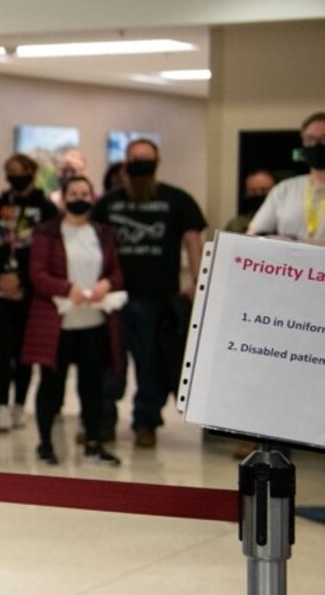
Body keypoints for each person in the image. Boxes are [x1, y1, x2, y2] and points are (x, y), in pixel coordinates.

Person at [96, 138, 205, 449]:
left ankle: (146, 422)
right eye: (134, 158)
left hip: (157, 298)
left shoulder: (177, 200)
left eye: (146, 158)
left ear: (157, 162)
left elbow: (193, 240)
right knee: (110, 364)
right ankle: (103, 421)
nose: (140, 163)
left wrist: (198, 283)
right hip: (113, 297)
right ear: (125, 162)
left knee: (150, 363)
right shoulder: (109, 202)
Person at [21, 176, 125, 467]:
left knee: (92, 387)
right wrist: (67, 289)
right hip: (59, 323)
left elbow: (117, 272)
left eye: (85, 193)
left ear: (92, 198)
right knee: (51, 385)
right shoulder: (47, 233)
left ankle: (94, 442)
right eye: (74, 193)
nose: (79, 197)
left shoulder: (103, 234)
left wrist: (106, 284)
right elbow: (38, 274)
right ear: (63, 197)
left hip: (94, 321)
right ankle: (45, 442)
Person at [0, 154, 58, 433]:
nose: (14, 176)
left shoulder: (46, 209)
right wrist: (1, 275)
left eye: (19, 171)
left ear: (31, 173)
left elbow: (49, 251)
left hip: (31, 290)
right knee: (2, 348)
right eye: (9, 171)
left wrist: (23, 278)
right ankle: (1, 405)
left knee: (24, 351)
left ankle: (19, 404)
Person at [248, 111, 325, 244]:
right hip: (287, 264)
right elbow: (254, 235)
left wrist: (300, 242)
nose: (316, 145)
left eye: (324, 139)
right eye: (310, 139)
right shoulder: (285, 189)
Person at [227, 168, 280, 234]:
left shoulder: (283, 225)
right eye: (253, 191)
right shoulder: (236, 225)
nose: (258, 194)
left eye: (263, 190)